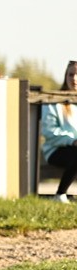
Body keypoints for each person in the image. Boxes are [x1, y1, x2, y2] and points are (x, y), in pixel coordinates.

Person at [41, 61, 77, 203]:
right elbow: (49, 132)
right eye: (71, 74)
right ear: (65, 76)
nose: (74, 78)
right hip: (56, 150)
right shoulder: (55, 101)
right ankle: (60, 194)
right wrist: (72, 141)